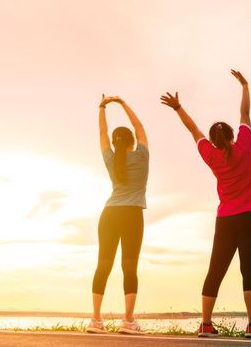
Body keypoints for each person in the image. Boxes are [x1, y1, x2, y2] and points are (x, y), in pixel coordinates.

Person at [160, 70, 251, 339]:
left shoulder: (210, 155)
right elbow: (244, 113)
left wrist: (178, 107)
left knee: (215, 270)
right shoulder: (244, 145)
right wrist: (245, 85)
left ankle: (206, 325)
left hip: (225, 219)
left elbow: (193, 129)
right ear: (234, 136)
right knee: (249, 271)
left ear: (213, 141)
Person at [87, 94, 149, 334]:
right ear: (133, 141)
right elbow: (139, 126)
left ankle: (95, 320)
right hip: (132, 215)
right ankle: (129, 321)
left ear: (115, 143)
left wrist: (102, 107)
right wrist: (123, 104)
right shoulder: (142, 156)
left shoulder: (111, 159)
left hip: (109, 215)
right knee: (129, 267)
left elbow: (102, 134)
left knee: (102, 266)